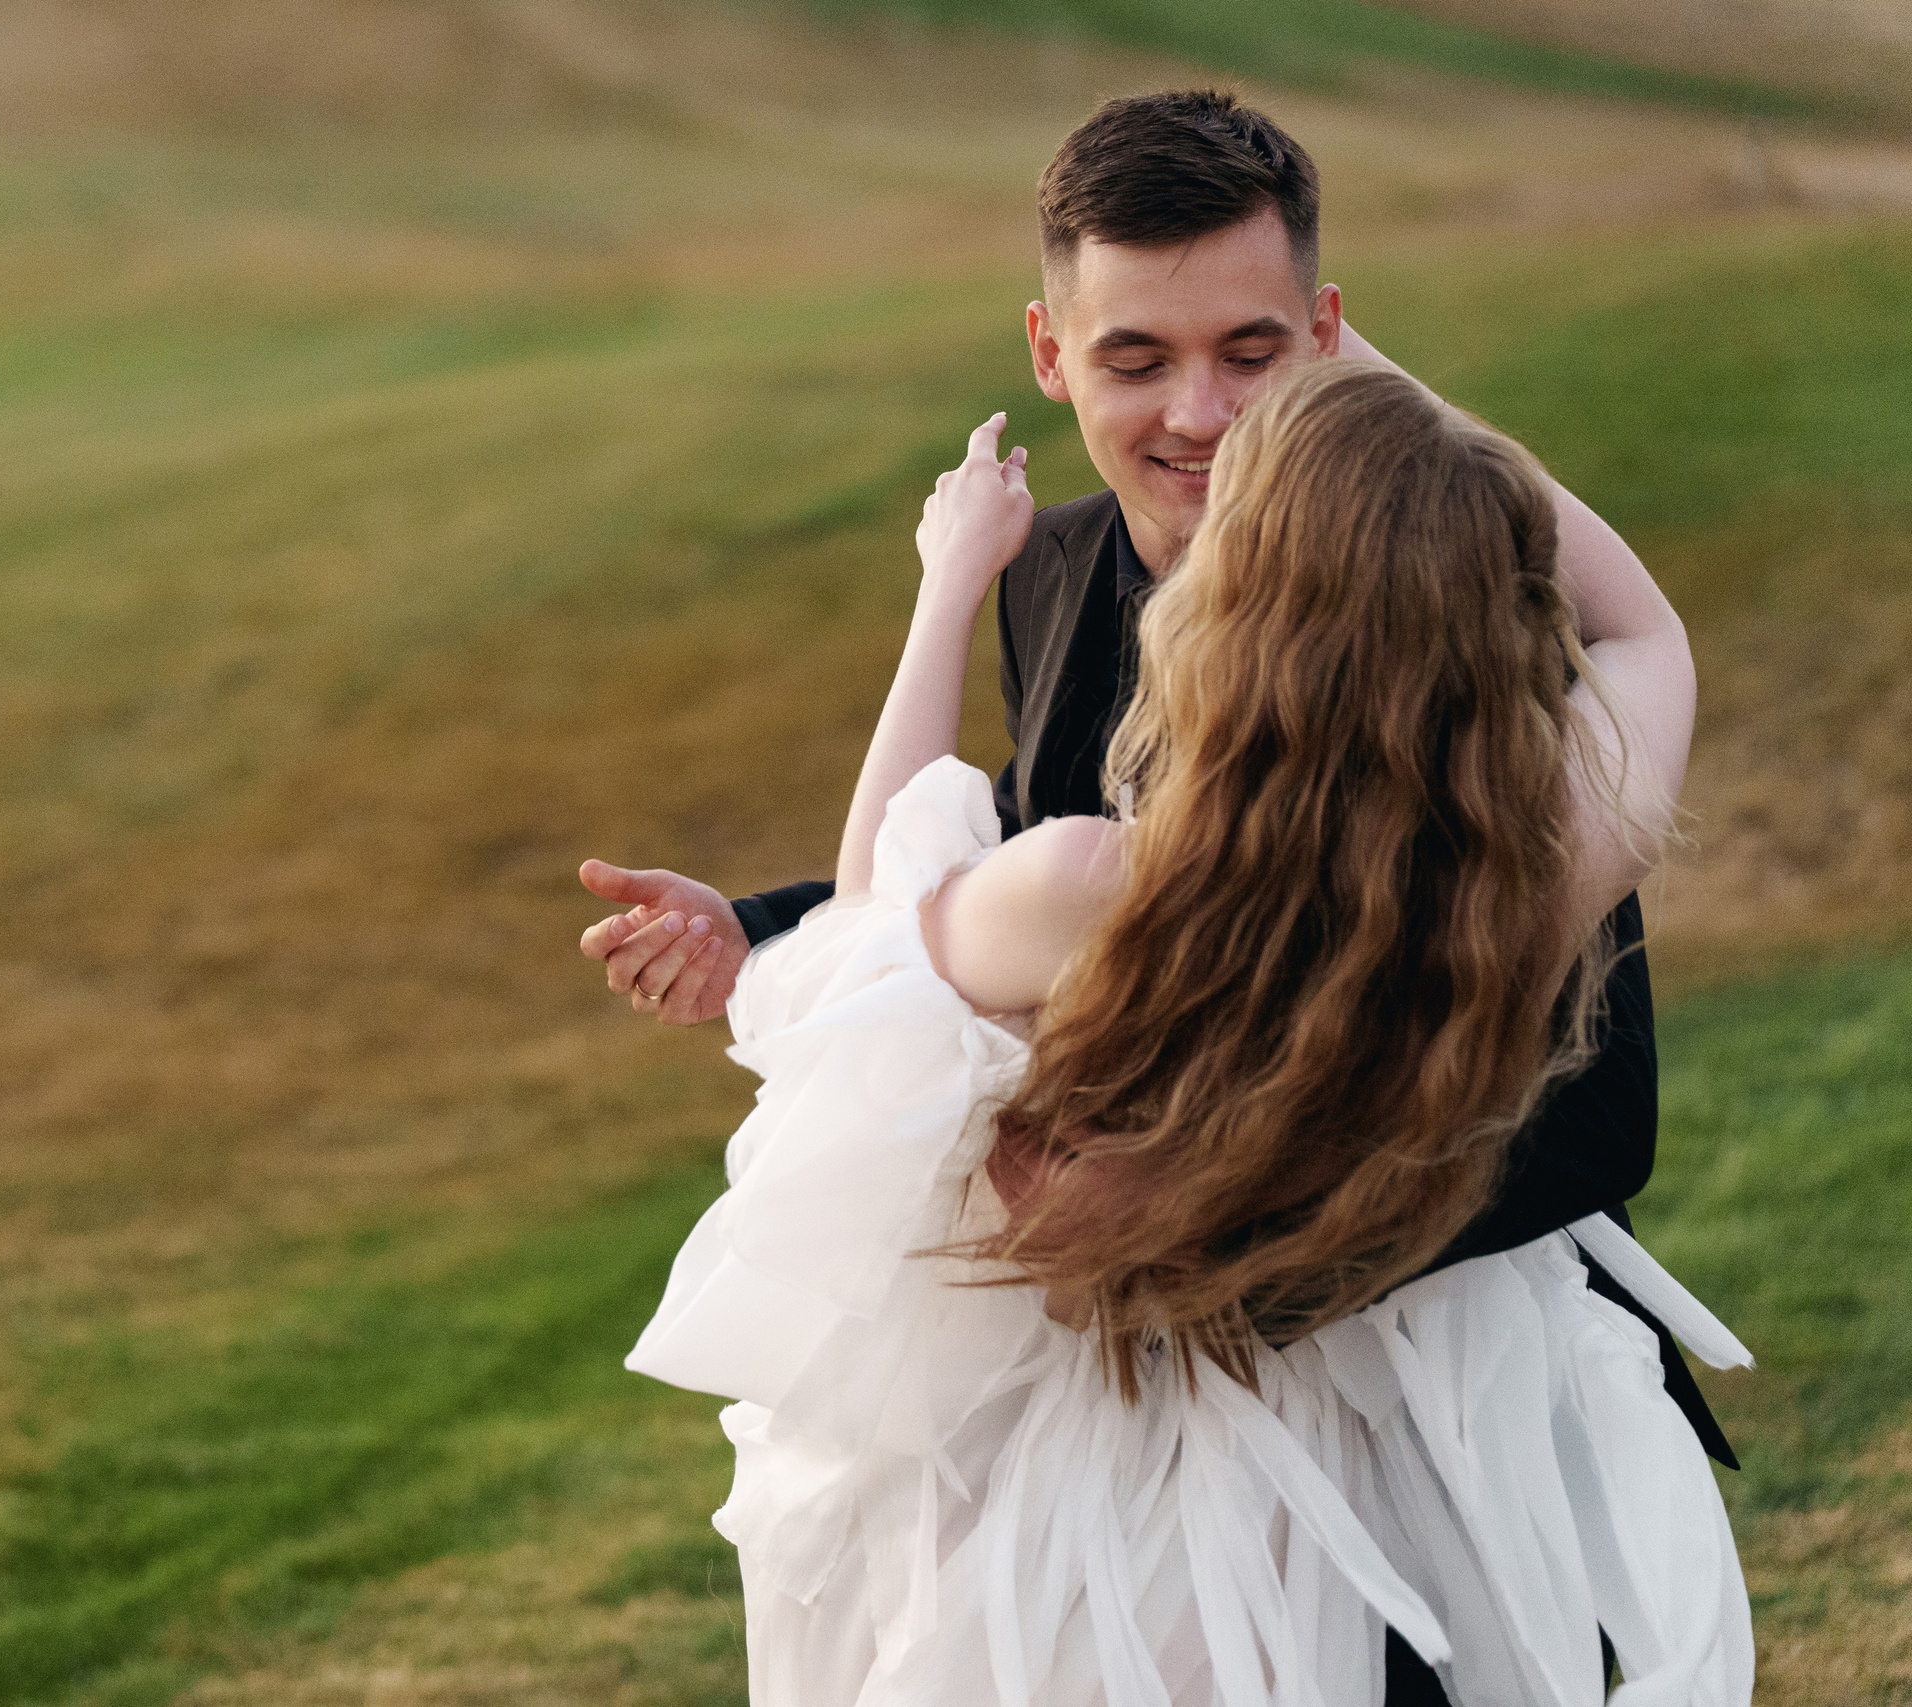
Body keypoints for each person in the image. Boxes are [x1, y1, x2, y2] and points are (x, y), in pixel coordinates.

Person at [580, 91, 1734, 1696]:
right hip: (1148, 1439)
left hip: (1430, 1418)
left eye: (1254, 354)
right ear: (1052, 356)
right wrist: (756, 926)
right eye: (1139, 359)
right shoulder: (1067, 586)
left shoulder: (1452, 627)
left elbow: (1600, 1122)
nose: (1200, 414)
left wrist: (1220, 1241)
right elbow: (1000, 843)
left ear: (1320, 339)